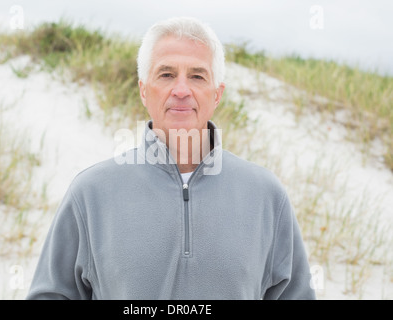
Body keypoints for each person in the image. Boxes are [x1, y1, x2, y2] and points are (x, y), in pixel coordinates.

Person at [26, 16, 316, 300]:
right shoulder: (90, 193)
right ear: (143, 90)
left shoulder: (266, 195)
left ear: (217, 95)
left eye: (197, 76)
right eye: (166, 75)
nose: (181, 90)